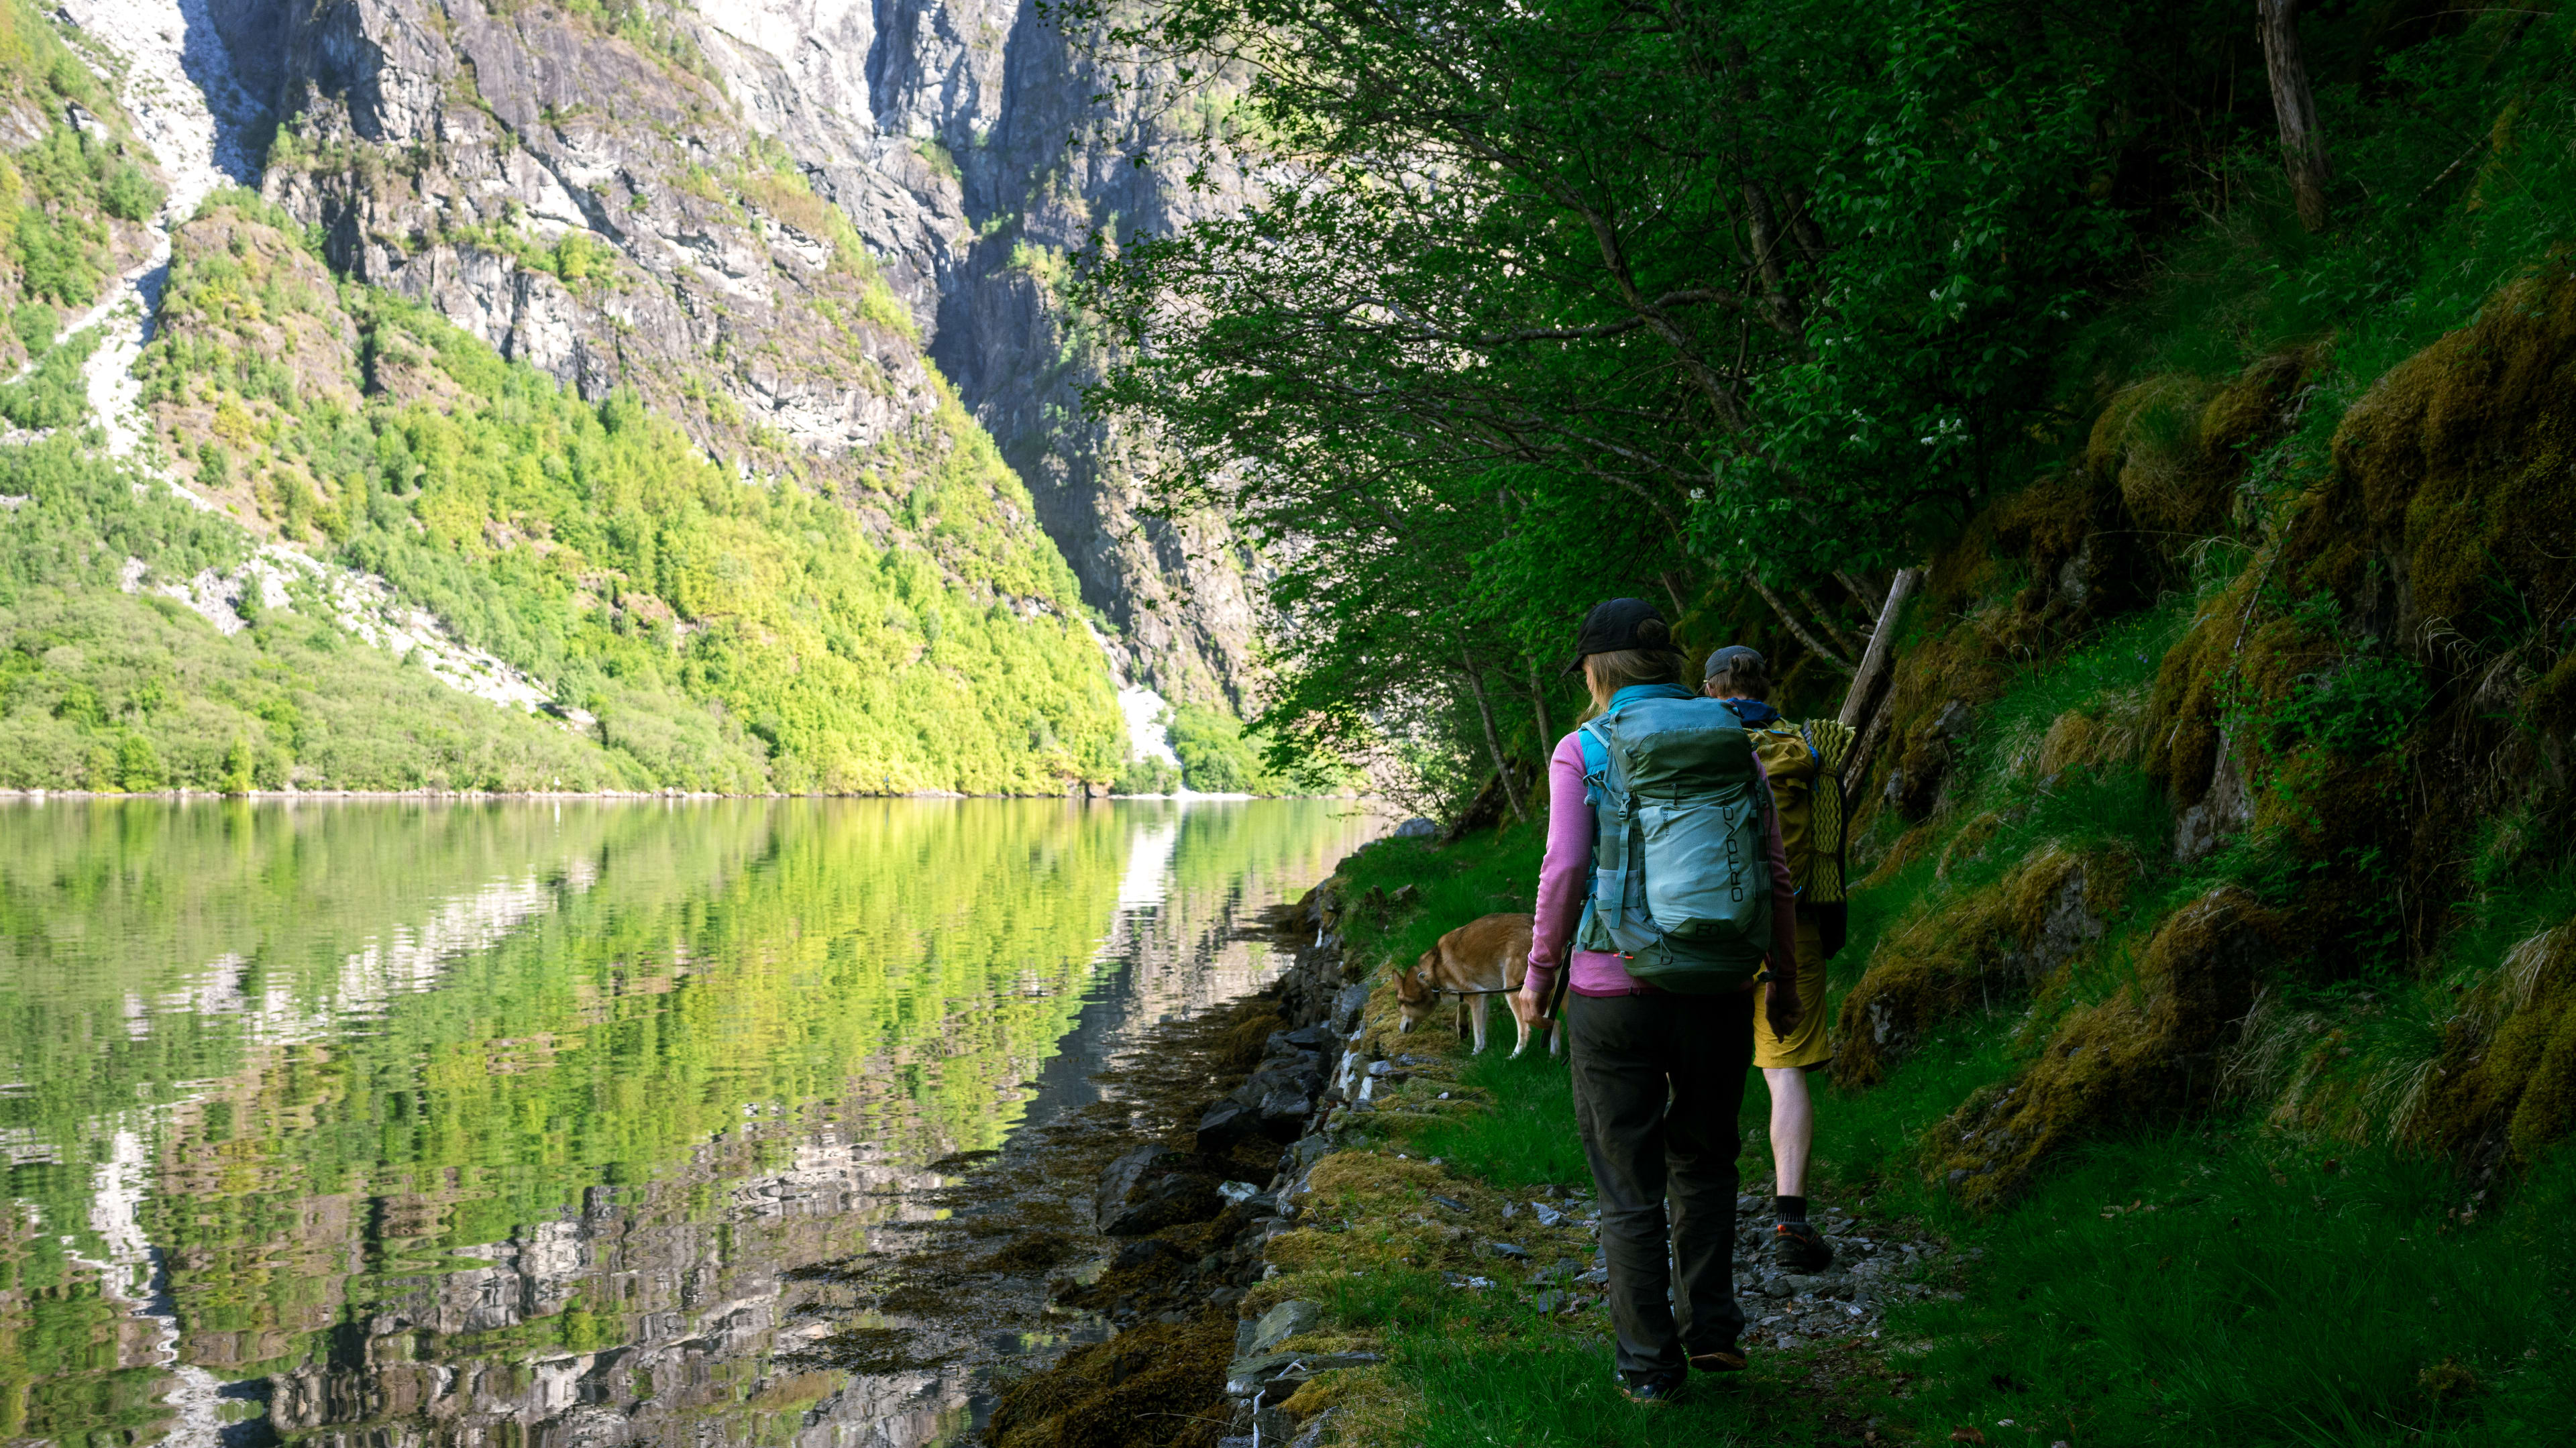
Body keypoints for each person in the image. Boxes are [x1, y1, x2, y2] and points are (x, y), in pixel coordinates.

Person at [1516, 598, 1800, 1406]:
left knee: (1627, 1183)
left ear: (1598, 672)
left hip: (1613, 992)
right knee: (1707, 1160)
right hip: (1715, 982)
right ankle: (1710, 1328)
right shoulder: (1729, 739)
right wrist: (1784, 978)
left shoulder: (1583, 747)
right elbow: (1774, 868)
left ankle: (1648, 1364)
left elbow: (1564, 871)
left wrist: (1540, 975)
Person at [1703, 645, 1854, 1272]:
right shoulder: (1810, 745)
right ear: (1768, 685)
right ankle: (1791, 1222)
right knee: (1783, 1071)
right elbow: (1833, 839)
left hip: (1702, 929)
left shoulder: (1690, 742)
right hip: (1795, 923)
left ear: (1711, 691)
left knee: (1694, 1068)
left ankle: (1690, 1212)